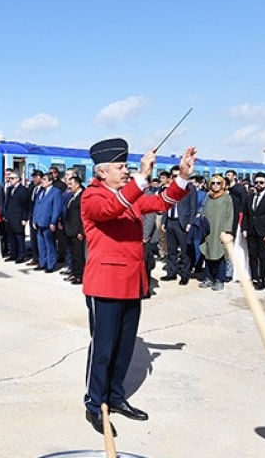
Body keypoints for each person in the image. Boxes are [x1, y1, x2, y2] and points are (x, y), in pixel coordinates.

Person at [81, 137, 195, 436]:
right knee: (103, 348)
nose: (126, 171)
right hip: (105, 285)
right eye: (121, 167)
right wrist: (142, 177)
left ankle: (116, 397)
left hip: (132, 283)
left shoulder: (126, 196)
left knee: (125, 346)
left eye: (127, 167)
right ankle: (95, 403)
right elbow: (109, 211)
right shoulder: (93, 196)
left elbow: (161, 202)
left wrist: (182, 177)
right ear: (102, 172)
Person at [161, 165, 197, 285]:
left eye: (177, 176)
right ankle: (172, 272)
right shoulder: (169, 188)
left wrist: (190, 223)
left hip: (182, 223)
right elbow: (166, 205)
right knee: (171, 250)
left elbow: (193, 207)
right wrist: (163, 221)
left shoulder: (190, 188)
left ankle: (185, 274)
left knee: (185, 251)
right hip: (170, 221)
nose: (175, 178)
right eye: (173, 176)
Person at [198, 175, 234, 291]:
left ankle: (219, 280)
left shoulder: (227, 198)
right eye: (213, 183)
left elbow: (229, 215)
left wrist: (226, 231)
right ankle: (208, 278)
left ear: (222, 184)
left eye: (218, 183)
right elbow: (202, 210)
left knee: (220, 255)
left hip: (220, 231)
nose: (215, 185)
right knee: (207, 254)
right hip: (208, 231)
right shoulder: (207, 197)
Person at [32, 172, 63, 273]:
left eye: (44, 179)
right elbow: (37, 206)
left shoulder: (56, 192)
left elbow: (56, 209)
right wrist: (34, 220)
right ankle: (42, 262)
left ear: (50, 181)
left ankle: (50, 264)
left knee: (50, 244)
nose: (42, 181)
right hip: (39, 221)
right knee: (41, 244)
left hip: (48, 221)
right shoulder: (41, 191)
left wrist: (53, 222)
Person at [2, 170, 30, 263]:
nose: (10, 180)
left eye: (12, 178)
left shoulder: (24, 190)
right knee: (11, 236)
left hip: (19, 216)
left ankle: (21, 255)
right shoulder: (9, 189)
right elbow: (7, 203)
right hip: (10, 216)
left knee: (19, 236)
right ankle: (13, 254)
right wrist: (5, 214)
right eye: (9, 178)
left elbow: (26, 205)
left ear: (18, 179)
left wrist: (24, 218)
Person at [63, 175, 85, 284]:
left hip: (77, 231)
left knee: (78, 254)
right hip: (70, 229)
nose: (69, 186)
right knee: (72, 253)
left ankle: (80, 275)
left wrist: (82, 231)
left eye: (71, 184)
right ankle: (74, 273)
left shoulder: (82, 196)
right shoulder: (72, 196)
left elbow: (83, 216)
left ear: (77, 184)